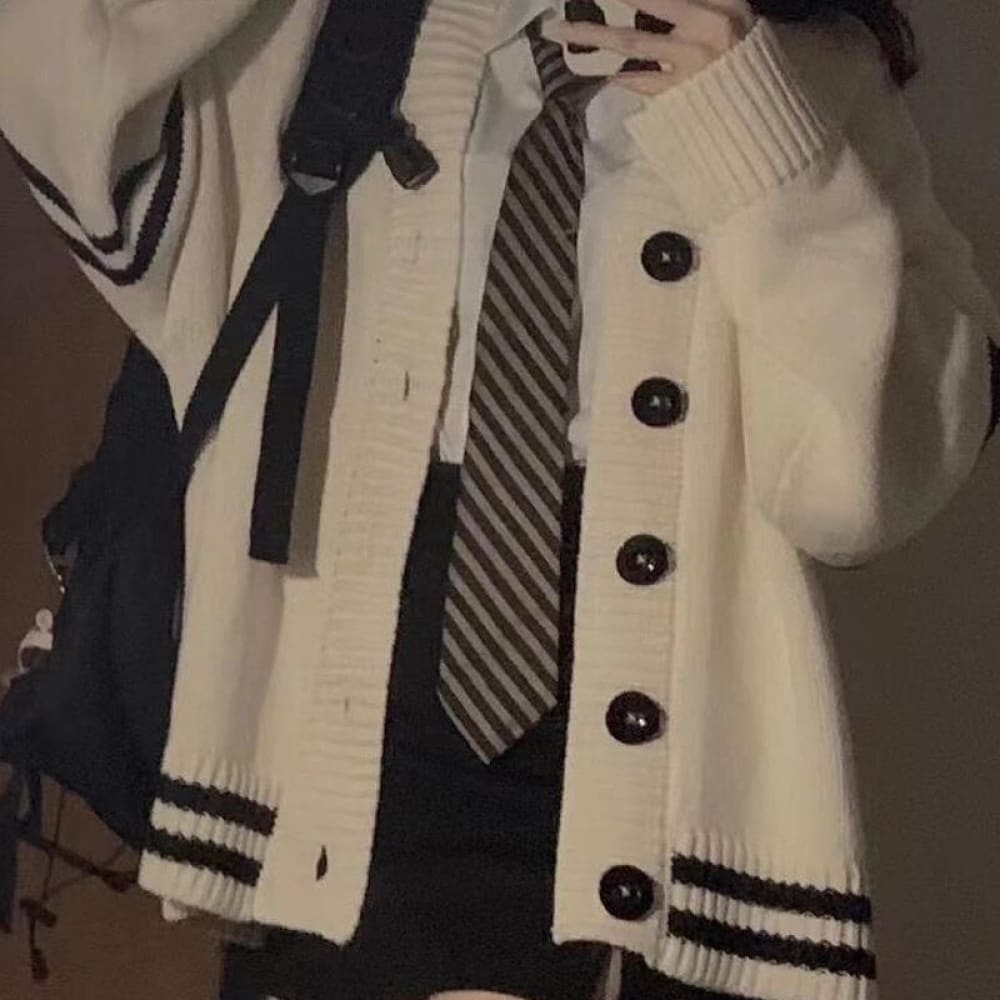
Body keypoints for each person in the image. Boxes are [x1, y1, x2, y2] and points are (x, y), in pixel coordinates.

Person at [1, 1, 998, 999]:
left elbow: (858, 487)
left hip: (661, 801)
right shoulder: (316, 37)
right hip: (346, 784)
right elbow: (52, 64)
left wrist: (754, 124)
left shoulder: (808, 72)